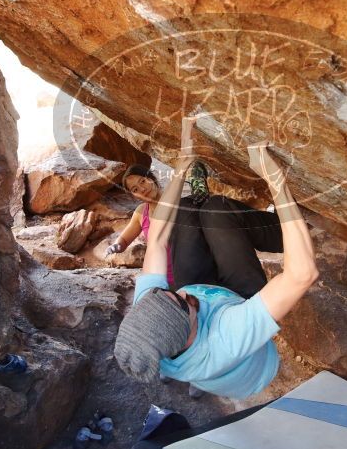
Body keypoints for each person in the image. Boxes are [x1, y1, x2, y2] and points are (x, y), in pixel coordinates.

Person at [114, 117, 319, 399]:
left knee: (185, 211)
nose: (183, 292)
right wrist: (275, 180)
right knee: (218, 209)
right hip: (241, 321)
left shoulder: (150, 314)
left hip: (206, 310)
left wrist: (183, 163)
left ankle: (204, 201)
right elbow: (301, 274)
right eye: (184, 303)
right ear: (188, 335)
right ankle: (294, 231)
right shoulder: (227, 338)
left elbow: (159, 237)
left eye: (170, 293)